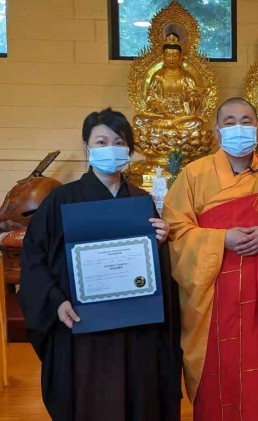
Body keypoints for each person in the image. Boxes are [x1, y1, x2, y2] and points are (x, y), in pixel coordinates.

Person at [18, 108, 182, 421]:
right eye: (101, 141)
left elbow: (158, 273)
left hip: (136, 328)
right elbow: (34, 258)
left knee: (140, 399)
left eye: (118, 141)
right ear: (87, 148)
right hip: (84, 326)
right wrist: (55, 300)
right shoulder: (60, 200)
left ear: (129, 150)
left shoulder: (141, 200)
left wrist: (161, 242)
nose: (111, 148)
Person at [162, 97, 258, 420]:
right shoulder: (193, 175)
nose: (239, 128)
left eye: (246, 121)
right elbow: (175, 233)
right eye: (230, 121)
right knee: (221, 382)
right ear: (217, 132)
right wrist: (222, 239)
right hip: (215, 301)